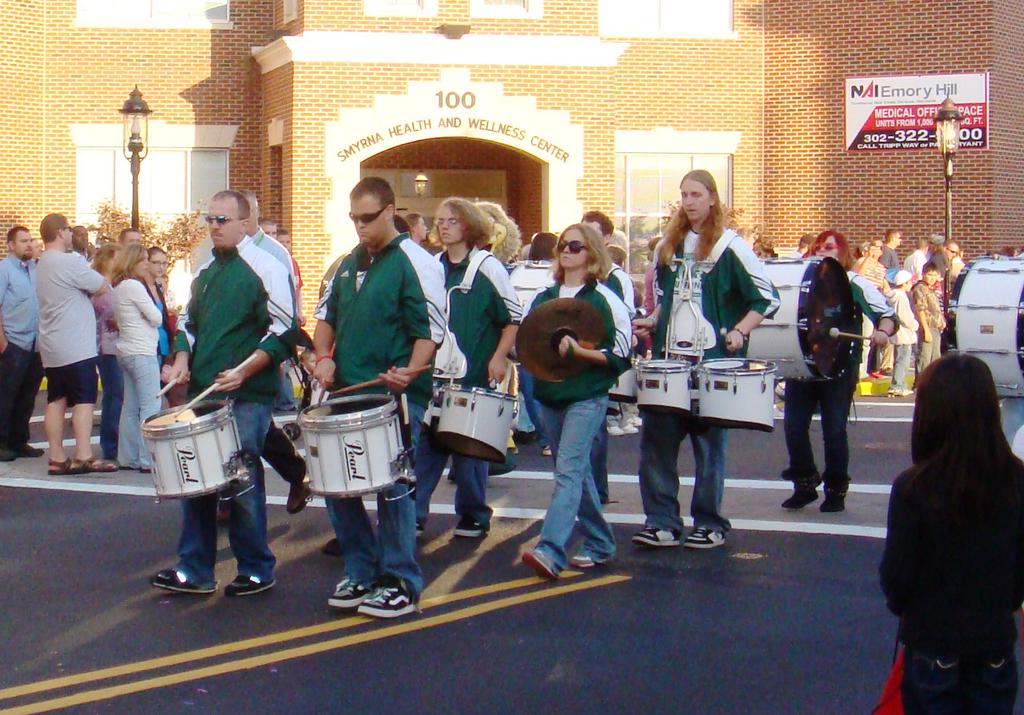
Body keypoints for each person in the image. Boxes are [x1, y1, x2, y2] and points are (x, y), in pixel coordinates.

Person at [312, 176, 445, 618]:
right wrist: (323, 357)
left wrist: (410, 370)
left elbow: (430, 331)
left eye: (368, 218)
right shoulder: (347, 262)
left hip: (395, 395)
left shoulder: (415, 261)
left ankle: (400, 580)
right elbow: (326, 318)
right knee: (338, 484)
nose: (360, 227)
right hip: (347, 390)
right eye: (354, 219)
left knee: (393, 487)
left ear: (390, 211)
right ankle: (361, 570)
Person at [154, 190, 297, 597]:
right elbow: (188, 322)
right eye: (210, 220)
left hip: (248, 392)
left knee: (241, 475)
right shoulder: (205, 270)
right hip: (206, 389)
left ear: (244, 222)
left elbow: (284, 331)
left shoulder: (267, 267)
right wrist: (182, 357)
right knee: (197, 478)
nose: (214, 227)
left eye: (222, 220)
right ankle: (194, 568)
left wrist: (245, 370)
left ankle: (255, 567)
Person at [631, 170, 779, 549]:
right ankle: (662, 521)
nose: (689, 201)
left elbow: (766, 298)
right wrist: (653, 319)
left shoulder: (731, 247)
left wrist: (740, 331)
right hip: (670, 362)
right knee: (657, 444)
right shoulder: (669, 246)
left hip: (713, 363)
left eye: (696, 194)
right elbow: (668, 299)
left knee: (710, 448)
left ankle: (710, 522)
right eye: (684, 195)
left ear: (712, 198)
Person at [880, 354, 1024, 714]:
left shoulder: (913, 487)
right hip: (993, 639)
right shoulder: (1016, 479)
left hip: (933, 639)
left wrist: (908, 608)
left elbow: (897, 577)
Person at [520, 223, 632, 578]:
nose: (566, 251)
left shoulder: (604, 299)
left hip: (586, 396)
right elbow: (527, 342)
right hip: (550, 395)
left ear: (592, 253)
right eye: (563, 245)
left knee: (568, 471)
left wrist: (580, 352)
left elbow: (621, 354)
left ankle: (550, 549)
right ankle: (600, 541)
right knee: (575, 472)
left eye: (575, 246)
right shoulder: (543, 298)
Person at [414, 197, 521, 539]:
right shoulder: (432, 265)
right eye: (441, 221)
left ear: (470, 225)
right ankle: (414, 515)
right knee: (425, 447)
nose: (444, 226)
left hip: (473, 373)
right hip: (433, 375)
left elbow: (512, 318)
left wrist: (499, 357)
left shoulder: (488, 267)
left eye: (453, 221)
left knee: (470, 450)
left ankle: (474, 514)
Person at [779, 230, 896, 512]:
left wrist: (882, 331)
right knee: (793, 426)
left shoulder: (852, 282)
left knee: (833, 430)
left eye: (829, 247)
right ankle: (805, 483)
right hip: (804, 364)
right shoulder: (802, 284)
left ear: (842, 251)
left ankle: (835, 489)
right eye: (819, 247)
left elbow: (887, 315)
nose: (822, 251)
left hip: (839, 366)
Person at [36, 214, 117, 475]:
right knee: (84, 399)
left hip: (52, 343)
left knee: (56, 399)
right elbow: (101, 286)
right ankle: (84, 454)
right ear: (61, 232)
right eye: (69, 230)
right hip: (76, 344)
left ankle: (57, 457)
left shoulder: (43, 262)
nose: (71, 234)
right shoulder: (69, 261)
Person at [110, 244, 163, 472]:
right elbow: (157, 317)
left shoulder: (119, 286)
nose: (146, 264)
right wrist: (147, 314)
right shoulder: (135, 286)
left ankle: (127, 456)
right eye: (143, 260)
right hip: (142, 351)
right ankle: (147, 459)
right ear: (133, 262)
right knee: (150, 404)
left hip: (126, 350)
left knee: (130, 406)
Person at [0, 226, 44, 461]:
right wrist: (3, 343)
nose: (29, 245)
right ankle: (2, 442)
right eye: (23, 241)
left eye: (30, 240)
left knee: (27, 396)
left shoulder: (37, 269)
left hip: (36, 344)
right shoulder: (4, 270)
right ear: (11, 245)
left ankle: (19, 441)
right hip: (14, 343)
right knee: (5, 396)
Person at [91, 243, 123, 462]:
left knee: (117, 395)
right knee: (114, 395)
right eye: (116, 258)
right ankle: (110, 443)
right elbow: (107, 315)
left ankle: (114, 441)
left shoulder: (111, 285)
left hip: (114, 345)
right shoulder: (101, 287)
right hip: (106, 347)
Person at [887, 270, 918, 397]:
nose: (911, 284)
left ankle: (898, 384)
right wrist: (915, 325)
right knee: (903, 360)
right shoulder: (901, 296)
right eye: (909, 282)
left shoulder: (892, 295)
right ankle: (898, 385)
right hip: (904, 333)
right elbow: (905, 316)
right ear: (904, 283)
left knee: (899, 359)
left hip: (897, 332)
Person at [912, 262, 945, 377]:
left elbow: (935, 309)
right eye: (929, 275)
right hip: (927, 327)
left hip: (936, 328)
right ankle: (921, 382)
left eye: (934, 275)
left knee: (935, 358)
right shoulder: (920, 288)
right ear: (923, 274)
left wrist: (942, 320)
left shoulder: (931, 289)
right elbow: (920, 310)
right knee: (925, 358)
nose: (932, 278)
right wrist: (926, 330)